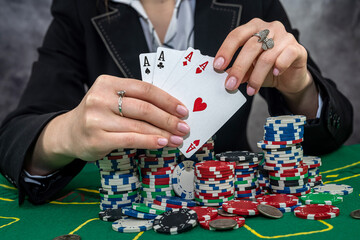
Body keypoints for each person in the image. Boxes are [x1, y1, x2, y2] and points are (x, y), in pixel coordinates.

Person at [0, 0, 353, 204]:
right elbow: (15, 136)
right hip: (136, 198)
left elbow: (335, 129)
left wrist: (299, 87)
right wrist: (66, 134)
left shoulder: (251, 2)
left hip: (227, 197)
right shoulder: (79, 8)